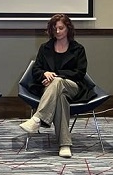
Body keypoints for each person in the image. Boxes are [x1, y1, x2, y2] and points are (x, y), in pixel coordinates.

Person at [19, 14, 95, 158]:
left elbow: (80, 73)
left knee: (58, 82)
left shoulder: (78, 49)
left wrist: (55, 76)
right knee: (60, 98)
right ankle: (64, 144)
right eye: (55, 29)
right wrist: (45, 73)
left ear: (68, 29)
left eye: (61, 28)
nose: (58, 32)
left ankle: (38, 118)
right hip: (50, 89)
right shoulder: (45, 48)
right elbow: (36, 70)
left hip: (73, 86)